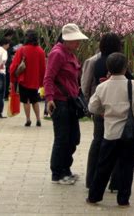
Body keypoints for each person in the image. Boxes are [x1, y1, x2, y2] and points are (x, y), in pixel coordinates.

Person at [86, 52, 134, 207]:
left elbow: (92, 107)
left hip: (110, 133)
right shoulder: (132, 85)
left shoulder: (102, 87)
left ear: (108, 68)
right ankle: (123, 199)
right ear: (125, 67)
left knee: (103, 166)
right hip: (129, 134)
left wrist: (104, 111)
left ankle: (94, 196)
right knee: (127, 167)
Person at [44, 23, 88, 185]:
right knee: (62, 138)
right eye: (76, 40)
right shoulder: (57, 54)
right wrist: (49, 99)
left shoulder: (71, 54)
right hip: (59, 102)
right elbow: (48, 77)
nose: (78, 43)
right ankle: (57, 173)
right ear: (67, 40)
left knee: (73, 138)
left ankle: (66, 169)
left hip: (71, 102)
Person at [85, 33, 126, 190]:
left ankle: (91, 180)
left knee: (97, 142)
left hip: (100, 108)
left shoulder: (94, 61)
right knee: (117, 145)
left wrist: (92, 102)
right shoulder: (120, 62)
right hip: (118, 111)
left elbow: (85, 84)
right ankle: (115, 183)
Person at [10, 30, 46, 127]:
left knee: (26, 101)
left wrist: (12, 76)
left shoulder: (22, 50)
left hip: (24, 79)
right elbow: (43, 67)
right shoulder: (41, 51)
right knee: (35, 100)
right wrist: (42, 81)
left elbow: (14, 65)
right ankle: (38, 119)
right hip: (35, 80)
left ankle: (28, 119)